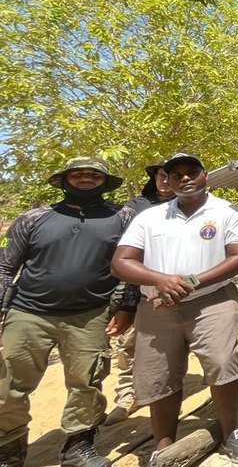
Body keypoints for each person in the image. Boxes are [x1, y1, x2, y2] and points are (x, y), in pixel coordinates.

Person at [112, 152, 238, 463]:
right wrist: (161, 280)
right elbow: (120, 262)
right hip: (157, 306)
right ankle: (164, 443)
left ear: (205, 175)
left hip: (212, 301)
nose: (185, 178)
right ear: (167, 180)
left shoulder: (228, 212)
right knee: (158, 376)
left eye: (192, 171)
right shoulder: (149, 217)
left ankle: (232, 432)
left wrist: (188, 282)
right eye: (176, 175)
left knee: (222, 365)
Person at [0, 158, 136, 467]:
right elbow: (5, 267)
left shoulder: (123, 218)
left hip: (90, 315)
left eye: (93, 174)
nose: (86, 178)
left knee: (86, 384)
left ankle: (77, 448)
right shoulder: (34, 218)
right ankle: (8, 452)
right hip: (29, 313)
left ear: (104, 181)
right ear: (64, 180)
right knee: (7, 387)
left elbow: (133, 265)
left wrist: (127, 305)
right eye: (78, 174)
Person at [107, 161, 175, 427]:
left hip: (178, 284)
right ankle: (127, 395)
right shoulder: (136, 208)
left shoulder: (189, 205)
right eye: (161, 176)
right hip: (136, 285)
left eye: (170, 177)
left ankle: (162, 389)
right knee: (128, 342)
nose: (165, 182)